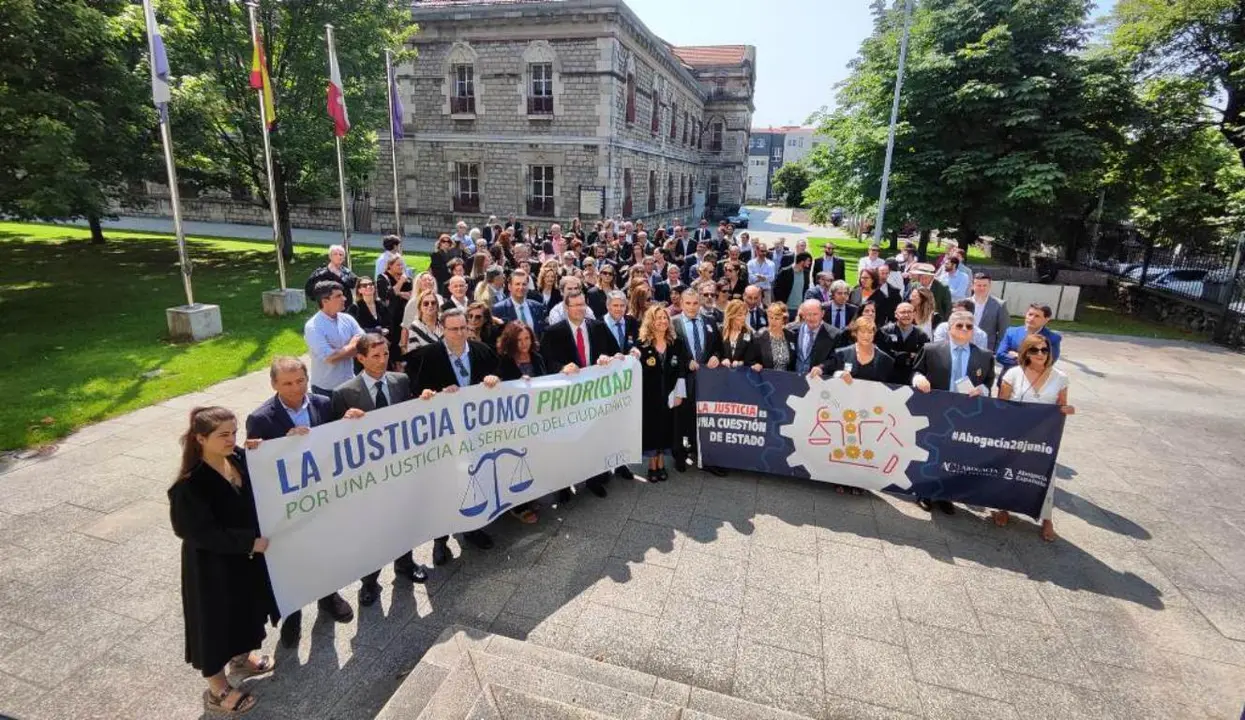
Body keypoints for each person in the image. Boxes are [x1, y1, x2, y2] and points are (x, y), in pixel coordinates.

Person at [171, 406, 276, 716]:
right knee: (214, 623)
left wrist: (264, 448)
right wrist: (247, 542)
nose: (232, 440)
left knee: (245, 610)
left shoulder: (238, 459)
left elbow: (266, 464)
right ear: (200, 439)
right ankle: (217, 689)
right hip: (211, 569)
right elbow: (195, 532)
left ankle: (242, 657)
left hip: (244, 562)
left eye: (234, 432)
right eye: (223, 435)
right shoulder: (190, 485)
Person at [244, 357, 353, 647]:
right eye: (287, 384)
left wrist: (351, 423)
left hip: (322, 496)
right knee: (292, 559)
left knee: (324, 549)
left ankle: (328, 597)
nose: (295, 389)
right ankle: (292, 616)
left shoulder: (323, 403)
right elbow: (257, 466)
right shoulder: (261, 418)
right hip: (288, 506)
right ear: (274, 385)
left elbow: (336, 441)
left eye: (300, 381)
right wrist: (283, 444)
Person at [331, 334, 431, 605]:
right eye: (375, 356)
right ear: (360, 358)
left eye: (385, 354)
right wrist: (344, 421)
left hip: (400, 470)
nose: (382, 360)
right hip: (368, 478)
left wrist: (423, 400)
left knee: (402, 520)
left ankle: (405, 564)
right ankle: (369, 581)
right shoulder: (344, 393)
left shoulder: (400, 381)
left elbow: (410, 416)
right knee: (372, 531)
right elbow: (331, 441)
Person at [408, 309, 502, 565]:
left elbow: (500, 378)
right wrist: (434, 394)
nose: (459, 333)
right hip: (445, 436)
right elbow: (417, 392)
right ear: (442, 329)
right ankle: (441, 540)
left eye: (463, 328)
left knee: (474, 478)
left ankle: (473, 528)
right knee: (446, 486)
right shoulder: (428, 356)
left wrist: (495, 379)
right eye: (453, 329)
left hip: (476, 433)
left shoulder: (481, 351)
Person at [911, 311, 996, 514]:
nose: (965, 329)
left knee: (953, 454)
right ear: (949, 329)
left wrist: (982, 390)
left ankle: (945, 495)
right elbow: (915, 371)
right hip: (935, 409)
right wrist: (918, 379)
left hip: (964, 414)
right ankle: (924, 492)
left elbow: (989, 381)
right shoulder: (931, 350)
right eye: (960, 325)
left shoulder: (984, 356)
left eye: (969, 326)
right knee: (931, 452)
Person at [993, 333, 1075, 541]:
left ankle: (1047, 519)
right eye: (1034, 350)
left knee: (1045, 476)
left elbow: (1061, 406)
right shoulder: (1012, 374)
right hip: (1016, 433)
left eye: (1044, 350)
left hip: (1044, 436)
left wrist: (1067, 410)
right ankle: (1004, 508)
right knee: (1010, 471)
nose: (1040, 354)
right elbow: (1002, 405)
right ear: (1026, 352)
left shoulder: (1060, 377)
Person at [539, 290, 614, 497]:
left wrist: (607, 358)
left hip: (593, 395)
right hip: (567, 398)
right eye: (575, 305)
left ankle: (593, 479)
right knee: (567, 441)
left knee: (591, 437)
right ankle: (563, 485)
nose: (580, 309)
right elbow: (545, 361)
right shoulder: (554, 332)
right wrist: (561, 367)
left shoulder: (597, 327)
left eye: (583, 304)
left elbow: (614, 351)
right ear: (566, 308)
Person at [811, 316, 894, 495]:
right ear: (855, 333)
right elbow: (828, 367)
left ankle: (858, 481)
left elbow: (890, 387)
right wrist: (831, 371)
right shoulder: (843, 353)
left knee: (864, 445)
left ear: (874, 334)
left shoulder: (885, 360)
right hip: (845, 410)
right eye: (862, 331)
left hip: (869, 414)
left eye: (870, 331)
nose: (866, 335)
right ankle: (840, 479)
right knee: (843, 443)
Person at [493, 321, 547, 524]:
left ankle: (530, 496)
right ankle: (518, 506)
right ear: (510, 341)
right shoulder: (504, 361)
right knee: (516, 461)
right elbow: (496, 386)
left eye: (527, 339)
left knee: (532, 459)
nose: (524, 344)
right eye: (519, 340)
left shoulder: (537, 357)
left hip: (536, 419)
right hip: (513, 423)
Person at [632, 304, 691, 483]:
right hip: (649, 397)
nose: (663, 321)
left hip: (670, 395)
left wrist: (680, 393)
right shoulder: (641, 345)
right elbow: (633, 367)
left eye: (665, 318)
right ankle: (652, 465)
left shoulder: (676, 343)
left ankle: (661, 463)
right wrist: (632, 356)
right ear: (651, 321)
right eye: (659, 318)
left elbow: (681, 369)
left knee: (666, 427)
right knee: (651, 428)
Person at [671, 289, 724, 475]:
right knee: (680, 416)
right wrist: (686, 362)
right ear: (681, 303)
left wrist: (716, 356)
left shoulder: (709, 321)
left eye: (695, 303)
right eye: (688, 303)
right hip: (683, 378)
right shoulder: (673, 323)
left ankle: (698, 449)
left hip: (706, 378)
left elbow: (718, 347)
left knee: (702, 416)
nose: (692, 307)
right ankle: (678, 454)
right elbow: (670, 351)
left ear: (700, 302)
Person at [304, 281, 363, 397]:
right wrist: (352, 346)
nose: (345, 299)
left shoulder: (347, 319)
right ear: (325, 301)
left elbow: (364, 343)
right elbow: (330, 358)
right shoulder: (313, 326)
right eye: (338, 296)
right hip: (326, 389)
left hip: (350, 383)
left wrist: (339, 352)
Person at [996, 303, 1063, 381]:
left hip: (1033, 383)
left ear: (1046, 319)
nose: (1031, 318)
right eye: (1030, 314)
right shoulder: (1011, 332)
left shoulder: (1053, 338)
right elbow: (1000, 356)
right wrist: (1033, 359)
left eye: (1037, 316)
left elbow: (1046, 363)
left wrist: (1019, 356)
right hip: (1008, 381)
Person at [348, 276, 397, 365]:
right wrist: (378, 332)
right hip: (366, 350)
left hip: (384, 348)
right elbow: (355, 330)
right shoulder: (354, 308)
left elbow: (390, 324)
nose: (369, 286)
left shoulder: (380, 305)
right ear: (359, 290)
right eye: (364, 285)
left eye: (371, 284)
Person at [879, 302, 930, 385]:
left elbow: (922, 359)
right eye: (903, 312)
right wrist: (909, 355)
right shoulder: (885, 331)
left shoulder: (922, 335)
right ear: (896, 314)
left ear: (914, 314)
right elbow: (883, 354)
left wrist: (897, 354)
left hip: (911, 379)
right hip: (887, 377)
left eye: (909, 312)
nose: (906, 315)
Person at [789, 299, 842, 375]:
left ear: (822, 314)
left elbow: (836, 359)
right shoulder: (792, 331)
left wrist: (821, 367)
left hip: (818, 381)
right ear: (803, 315)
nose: (812, 318)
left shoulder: (835, 334)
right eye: (808, 314)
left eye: (815, 314)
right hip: (794, 379)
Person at [492, 269, 548, 335]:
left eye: (524, 284)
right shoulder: (499, 309)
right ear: (509, 287)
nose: (521, 287)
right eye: (517, 284)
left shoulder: (538, 307)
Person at [968, 272, 1009, 351]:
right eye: (979, 285)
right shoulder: (964, 303)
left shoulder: (1000, 305)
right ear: (972, 286)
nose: (982, 288)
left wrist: (996, 352)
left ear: (989, 286)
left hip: (987, 349)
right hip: (964, 346)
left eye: (985, 285)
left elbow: (1003, 333)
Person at [376, 255, 413, 342]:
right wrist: (401, 283)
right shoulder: (383, 278)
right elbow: (388, 294)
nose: (401, 267)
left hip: (404, 315)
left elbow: (411, 294)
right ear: (390, 266)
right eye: (398, 265)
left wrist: (398, 293)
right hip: (390, 317)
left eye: (402, 265)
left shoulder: (407, 279)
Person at [402, 288, 444, 360]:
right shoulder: (414, 328)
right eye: (426, 303)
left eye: (433, 303)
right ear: (420, 307)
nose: (430, 305)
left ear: (437, 306)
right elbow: (414, 355)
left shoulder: (445, 325)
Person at [751, 302, 795, 371]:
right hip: (766, 379)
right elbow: (751, 360)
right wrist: (756, 365)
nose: (773, 322)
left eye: (777, 318)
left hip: (787, 378)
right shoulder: (759, 336)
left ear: (783, 320)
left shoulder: (791, 336)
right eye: (771, 318)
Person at [774, 251, 813, 322]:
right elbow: (776, 290)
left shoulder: (806, 273)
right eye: (808, 261)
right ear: (802, 261)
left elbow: (806, 290)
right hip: (786, 309)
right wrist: (781, 306)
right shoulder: (785, 272)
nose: (809, 263)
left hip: (800, 310)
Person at [718, 299, 759, 366]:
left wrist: (741, 363)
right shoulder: (721, 331)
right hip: (723, 373)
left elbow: (750, 359)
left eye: (744, 314)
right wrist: (722, 360)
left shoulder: (748, 333)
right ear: (731, 315)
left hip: (741, 373)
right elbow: (717, 352)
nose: (743, 318)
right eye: (740, 315)